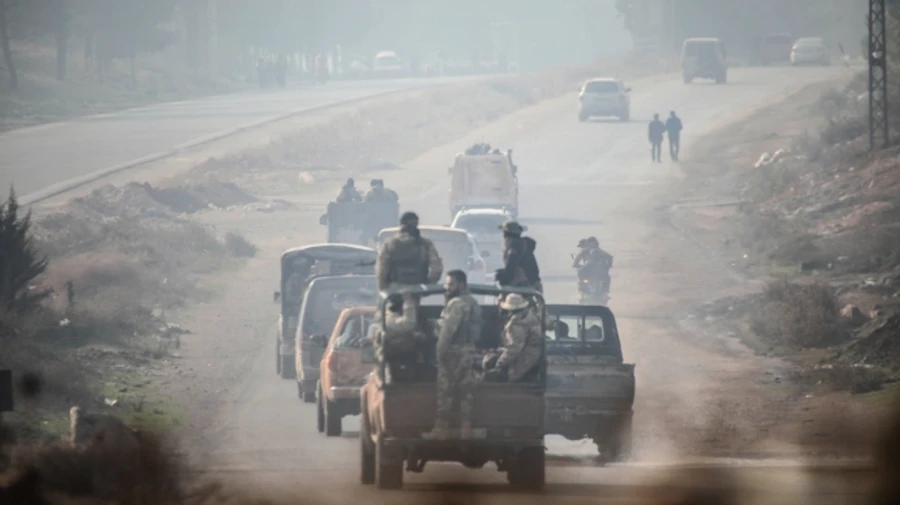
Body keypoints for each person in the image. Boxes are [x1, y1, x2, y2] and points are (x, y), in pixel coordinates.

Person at [422, 270, 482, 440]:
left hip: (453, 352)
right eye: (446, 284)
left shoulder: (457, 304)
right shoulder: (473, 303)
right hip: (469, 351)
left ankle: (441, 429)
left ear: (461, 284)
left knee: (445, 391)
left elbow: (447, 331)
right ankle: (466, 430)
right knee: (466, 392)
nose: (447, 288)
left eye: (451, 284)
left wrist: (439, 352)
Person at [376, 212, 443, 293]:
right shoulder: (425, 244)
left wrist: (383, 289)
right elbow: (437, 269)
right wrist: (427, 285)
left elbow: (382, 270)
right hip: (417, 288)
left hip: (394, 289)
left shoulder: (390, 244)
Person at [482, 294, 543, 383]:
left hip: (526, 358)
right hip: (534, 355)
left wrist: (499, 363)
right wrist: (499, 351)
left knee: (489, 376)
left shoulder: (516, 323)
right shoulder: (532, 316)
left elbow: (514, 348)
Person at [372, 292, 424, 382]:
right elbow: (408, 324)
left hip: (410, 361)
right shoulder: (389, 319)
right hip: (396, 365)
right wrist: (408, 302)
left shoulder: (398, 317)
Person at [495, 220, 542, 293]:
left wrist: (503, 278)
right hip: (534, 285)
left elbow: (511, 265)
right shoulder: (523, 244)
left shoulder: (514, 244)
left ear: (505, 234)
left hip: (525, 287)